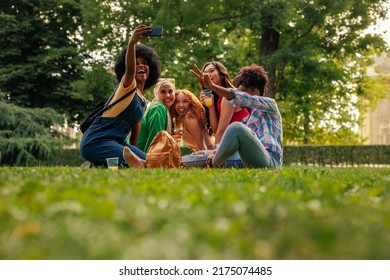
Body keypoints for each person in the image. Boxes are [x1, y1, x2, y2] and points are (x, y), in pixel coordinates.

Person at [79, 25, 161, 168]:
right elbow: (129, 70)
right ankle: (95, 164)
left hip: (117, 143)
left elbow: (136, 131)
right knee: (142, 164)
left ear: (151, 69)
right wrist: (132, 43)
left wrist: (136, 153)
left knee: (153, 163)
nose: (140, 66)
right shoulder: (127, 85)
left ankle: (98, 166)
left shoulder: (142, 100)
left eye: (145, 63)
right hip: (96, 141)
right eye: (136, 64)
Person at [187, 63, 283, 168]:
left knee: (236, 127)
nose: (240, 94)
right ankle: (182, 162)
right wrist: (214, 152)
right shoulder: (247, 120)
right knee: (199, 157)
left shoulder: (270, 105)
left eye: (242, 91)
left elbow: (237, 97)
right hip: (247, 161)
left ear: (255, 92)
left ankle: (214, 164)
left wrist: (213, 87)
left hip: (270, 161)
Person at [200, 61, 249, 145]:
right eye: (205, 73)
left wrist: (215, 153)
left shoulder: (229, 95)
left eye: (211, 71)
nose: (207, 75)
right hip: (233, 142)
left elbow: (221, 131)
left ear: (222, 75)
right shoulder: (217, 99)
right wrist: (210, 106)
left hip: (243, 144)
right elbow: (216, 130)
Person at [137, 78, 176, 152]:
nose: (167, 95)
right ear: (157, 94)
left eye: (170, 91)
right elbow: (156, 140)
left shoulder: (159, 107)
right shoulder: (158, 109)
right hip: (142, 156)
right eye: (163, 92)